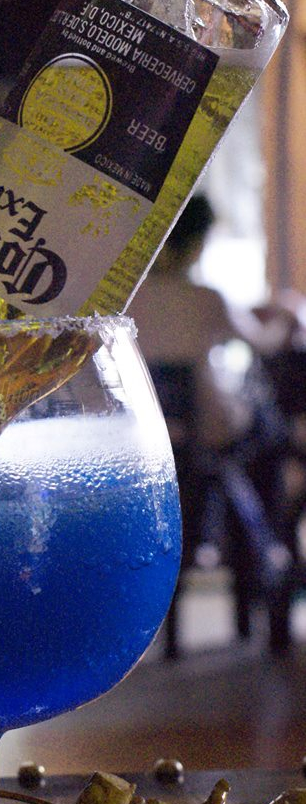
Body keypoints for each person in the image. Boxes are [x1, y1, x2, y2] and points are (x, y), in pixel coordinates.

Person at [129, 194, 294, 655]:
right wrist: (285, 314)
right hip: (208, 439)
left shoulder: (131, 298)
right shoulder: (206, 298)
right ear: (198, 242)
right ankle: (261, 554)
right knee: (265, 444)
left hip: (149, 444)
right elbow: (265, 343)